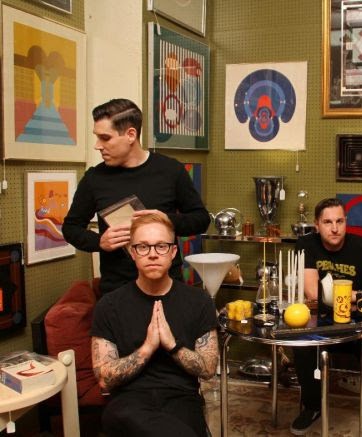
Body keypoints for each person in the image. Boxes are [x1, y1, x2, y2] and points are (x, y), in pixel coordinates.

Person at [63, 98, 210, 295]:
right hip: (117, 292)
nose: (98, 146)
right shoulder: (94, 179)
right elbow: (71, 228)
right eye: (97, 138)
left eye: (105, 138)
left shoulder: (171, 170)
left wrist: (168, 220)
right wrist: (99, 242)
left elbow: (201, 220)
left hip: (169, 289)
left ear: (131, 134)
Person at [90, 213, 218, 437]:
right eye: (143, 247)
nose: (152, 254)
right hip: (128, 403)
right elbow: (104, 379)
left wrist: (172, 346)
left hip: (181, 399)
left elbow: (208, 369)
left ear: (173, 252)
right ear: (132, 253)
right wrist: (147, 348)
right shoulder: (109, 305)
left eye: (161, 246)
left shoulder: (199, 302)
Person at [291, 198, 362, 437]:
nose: (335, 228)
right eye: (328, 222)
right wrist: (358, 295)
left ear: (346, 222)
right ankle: (312, 407)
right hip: (321, 320)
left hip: (358, 320)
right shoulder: (306, 244)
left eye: (339, 221)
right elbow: (312, 293)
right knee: (302, 348)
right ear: (317, 225)